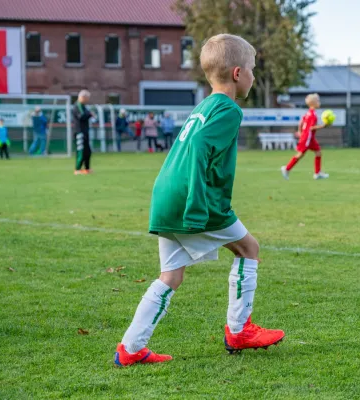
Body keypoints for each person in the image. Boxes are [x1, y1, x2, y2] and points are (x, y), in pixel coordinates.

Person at [115, 33, 285, 367]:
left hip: (167, 196)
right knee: (249, 248)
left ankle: (131, 348)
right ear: (238, 73)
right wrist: (197, 205)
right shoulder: (228, 109)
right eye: (251, 68)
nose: (253, 75)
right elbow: (197, 149)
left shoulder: (204, 106)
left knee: (171, 276)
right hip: (194, 200)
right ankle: (239, 331)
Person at [280, 93, 330, 180]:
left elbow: (301, 122)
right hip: (307, 138)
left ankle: (317, 173)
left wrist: (300, 131)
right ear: (313, 103)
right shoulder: (312, 115)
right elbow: (311, 128)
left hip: (309, 137)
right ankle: (286, 169)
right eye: (317, 101)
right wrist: (323, 126)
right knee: (300, 155)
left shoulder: (308, 113)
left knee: (318, 152)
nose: (319, 102)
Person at [72, 90, 96, 175]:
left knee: (88, 151)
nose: (87, 100)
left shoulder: (83, 106)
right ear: (83, 97)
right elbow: (81, 116)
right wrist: (90, 114)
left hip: (85, 131)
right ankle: (77, 169)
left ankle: (87, 168)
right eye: (87, 98)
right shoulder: (77, 106)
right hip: (79, 132)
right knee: (81, 151)